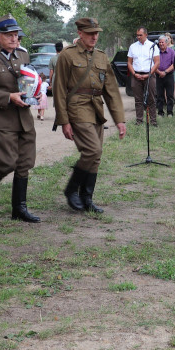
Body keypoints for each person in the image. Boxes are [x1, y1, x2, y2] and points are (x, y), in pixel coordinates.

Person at [53, 17, 127, 213]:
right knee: (93, 150)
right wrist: (64, 121)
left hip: (96, 108)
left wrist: (120, 120)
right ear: (80, 33)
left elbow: (111, 90)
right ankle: (71, 190)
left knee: (95, 156)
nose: (95, 37)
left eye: (97, 33)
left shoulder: (101, 57)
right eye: (90, 33)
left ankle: (87, 198)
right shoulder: (67, 56)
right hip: (76, 107)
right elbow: (59, 90)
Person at [0, 15, 41, 223]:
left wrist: (35, 93)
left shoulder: (22, 56)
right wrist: (7, 97)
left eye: (16, 35)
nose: (14, 38)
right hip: (1, 119)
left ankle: (19, 209)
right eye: (9, 35)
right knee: (6, 162)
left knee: (25, 163)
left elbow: (27, 82)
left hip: (23, 118)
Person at [127, 27, 159, 126]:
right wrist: (134, 74)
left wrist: (148, 74)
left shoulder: (153, 46)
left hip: (149, 74)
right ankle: (139, 120)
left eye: (140, 35)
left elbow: (157, 62)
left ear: (146, 35)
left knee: (151, 98)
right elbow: (129, 62)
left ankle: (153, 121)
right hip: (136, 75)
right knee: (138, 99)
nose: (138, 37)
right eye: (137, 35)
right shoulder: (133, 46)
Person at [154, 35, 175, 117]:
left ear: (166, 43)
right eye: (160, 42)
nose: (161, 44)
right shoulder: (155, 52)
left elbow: (174, 64)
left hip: (169, 75)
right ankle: (160, 112)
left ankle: (170, 112)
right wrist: (159, 72)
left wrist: (165, 72)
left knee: (170, 95)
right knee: (159, 95)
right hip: (158, 75)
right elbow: (153, 64)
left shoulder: (172, 52)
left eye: (163, 42)